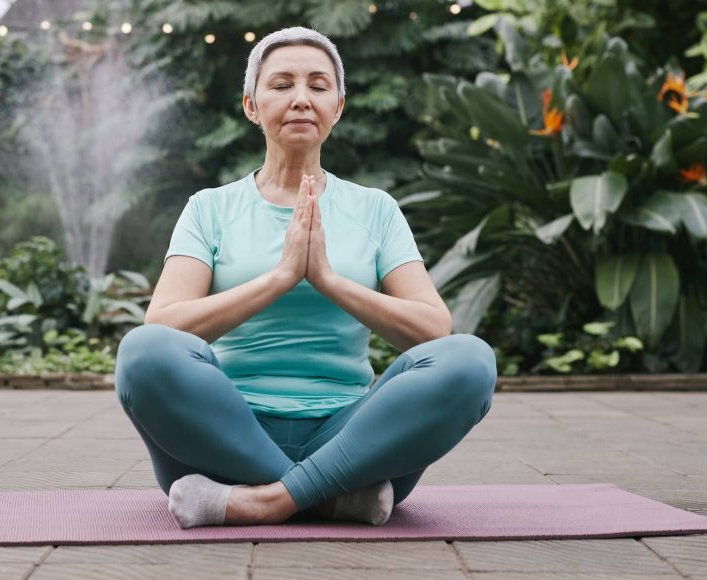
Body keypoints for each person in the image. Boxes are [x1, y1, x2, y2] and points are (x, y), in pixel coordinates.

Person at [115, 26, 496, 529]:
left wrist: (328, 280)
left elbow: (432, 330)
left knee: (469, 360)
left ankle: (264, 502)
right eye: (281, 85)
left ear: (338, 106)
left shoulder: (375, 209)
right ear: (251, 105)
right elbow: (164, 323)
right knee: (143, 352)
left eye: (318, 86)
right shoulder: (209, 209)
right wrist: (280, 278)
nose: (301, 99)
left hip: (354, 441)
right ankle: (328, 500)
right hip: (222, 435)